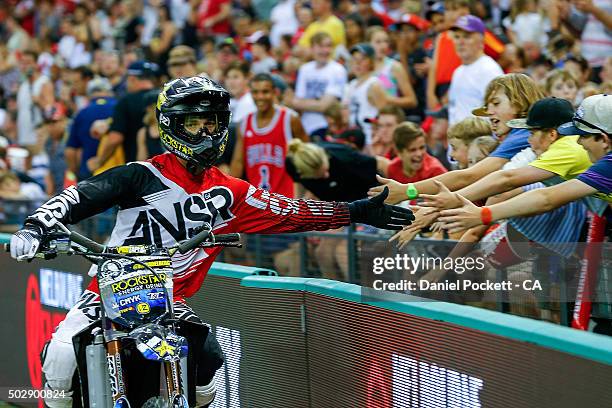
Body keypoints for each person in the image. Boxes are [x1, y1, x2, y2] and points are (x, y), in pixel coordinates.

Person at [9, 76, 414, 408]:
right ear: (171, 125)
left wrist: (356, 211)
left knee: (209, 359)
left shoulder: (233, 192)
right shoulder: (138, 175)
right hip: (107, 295)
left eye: (213, 122)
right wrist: (35, 227)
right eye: (194, 124)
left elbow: (295, 213)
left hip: (169, 301)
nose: (206, 132)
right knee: (61, 357)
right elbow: (79, 196)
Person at [439, 94, 611, 229]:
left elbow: (545, 198)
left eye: (583, 135)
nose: (579, 141)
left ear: (603, 139)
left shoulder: (581, 153)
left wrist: (481, 214)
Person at [369, 73, 544, 204]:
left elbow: (468, 176)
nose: (489, 112)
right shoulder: (519, 134)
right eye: (488, 106)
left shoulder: (523, 134)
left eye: (496, 104)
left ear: (519, 102)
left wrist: (409, 190)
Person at [230, 73, 308, 197]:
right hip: (258, 203)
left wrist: (303, 196)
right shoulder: (244, 124)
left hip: (287, 200)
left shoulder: (290, 119)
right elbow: (238, 164)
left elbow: (307, 159)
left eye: (265, 92)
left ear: (274, 92)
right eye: (255, 92)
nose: (260, 97)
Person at [89, 61, 159, 172]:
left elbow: (115, 138)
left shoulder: (126, 102)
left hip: (139, 169)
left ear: (132, 79)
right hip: (167, 166)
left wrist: (99, 161)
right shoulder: (164, 97)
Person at [285, 32, 348, 139]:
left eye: (328, 46)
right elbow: (295, 102)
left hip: (326, 127)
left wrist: (298, 103)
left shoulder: (337, 70)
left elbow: (324, 106)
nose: (325, 51)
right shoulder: (305, 69)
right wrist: (313, 103)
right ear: (312, 48)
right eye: (321, 46)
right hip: (304, 126)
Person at [447, 15, 503, 125]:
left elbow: (498, 114)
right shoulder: (458, 71)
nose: (460, 42)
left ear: (481, 40)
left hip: (481, 140)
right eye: (457, 37)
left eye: (467, 37)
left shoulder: (489, 70)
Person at [65, 77, 117, 181]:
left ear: (89, 94)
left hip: (89, 173)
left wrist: (76, 173)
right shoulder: (119, 107)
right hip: (118, 171)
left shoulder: (82, 113)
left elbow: (70, 151)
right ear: (109, 91)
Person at [343, 43, 388, 146]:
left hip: (370, 140)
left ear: (371, 62)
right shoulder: (351, 85)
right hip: (354, 139)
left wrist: (377, 138)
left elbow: (385, 115)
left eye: (362, 59)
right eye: (354, 59)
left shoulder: (374, 85)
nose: (357, 63)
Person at [367, 26, 417, 110]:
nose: (383, 46)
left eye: (386, 41)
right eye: (378, 42)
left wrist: (387, 99)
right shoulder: (363, 67)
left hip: (387, 116)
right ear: (368, 44)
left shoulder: (394, 67)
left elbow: (412, 100)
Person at [224, 61, 256, 125]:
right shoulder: (232, 101)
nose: (231, 82)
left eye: (235, 77)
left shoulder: (249, 102)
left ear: (247, 79)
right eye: (228, 77)